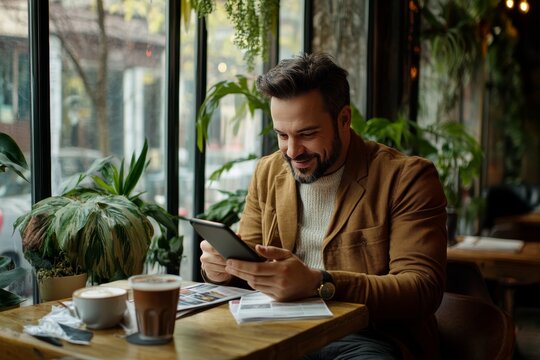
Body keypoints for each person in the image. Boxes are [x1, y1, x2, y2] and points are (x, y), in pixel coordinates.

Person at [200, 53, 447, 359]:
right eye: (282, 135)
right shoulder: (268, 171)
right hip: (276, 329)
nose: (292, 151)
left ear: (344, 119)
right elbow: (249, 268)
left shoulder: (406, 178)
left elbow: (421, 290)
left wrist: (320, 283)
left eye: (307, 134)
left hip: (365, 336)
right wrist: (221, 270)